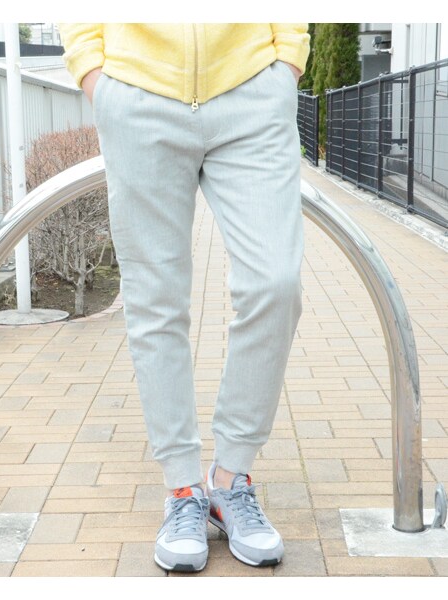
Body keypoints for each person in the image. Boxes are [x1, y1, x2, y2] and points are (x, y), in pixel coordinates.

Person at [59, 23, 310, 573]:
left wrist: (287, 60)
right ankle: (182, 488)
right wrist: (94, 73)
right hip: (138, 91)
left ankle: (230, 477)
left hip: (251, 87)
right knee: (155, 300)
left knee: (276, 282)